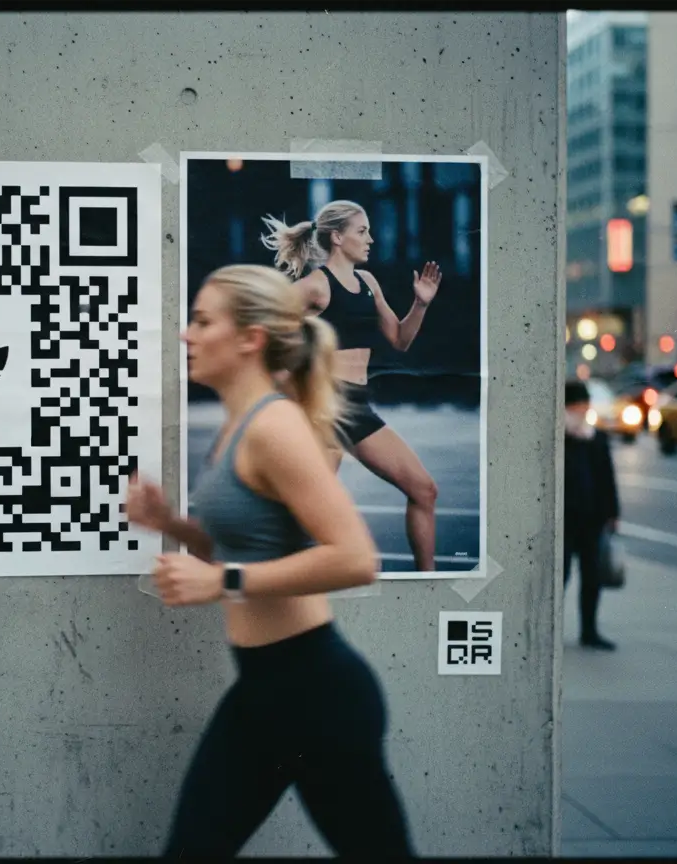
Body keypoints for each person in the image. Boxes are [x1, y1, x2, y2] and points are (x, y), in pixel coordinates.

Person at [125, 264, 414, 858]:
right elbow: (241, 545)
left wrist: (222, 581)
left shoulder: (276, 426)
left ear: (249, 339)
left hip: (317, 694)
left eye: (203, 322)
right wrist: (171, 525)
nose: (187, 335)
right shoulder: (238, 426)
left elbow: (356, 559)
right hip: (264, 692)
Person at [261, 201, 441, 572]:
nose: (371, 239)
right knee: (311, 507)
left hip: (358, 406)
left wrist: (420, 305)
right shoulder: (314, 286)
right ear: (337, 237)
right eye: (363, 232)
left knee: (424, 490)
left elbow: (400, 340)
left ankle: (429, 584)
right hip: (325, 407)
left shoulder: (368, 283)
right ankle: (269, 581)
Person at [563, 379, 620, 651]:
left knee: (592, 576)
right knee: (558, 577)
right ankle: (549, 630)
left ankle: (589, 630)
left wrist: (612, 513)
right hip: (563, 520)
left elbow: (607, 477)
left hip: (592, 518)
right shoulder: (558, 437)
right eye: (577, 405)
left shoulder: (596, 437)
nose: (582, 410)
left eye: (585, 405)